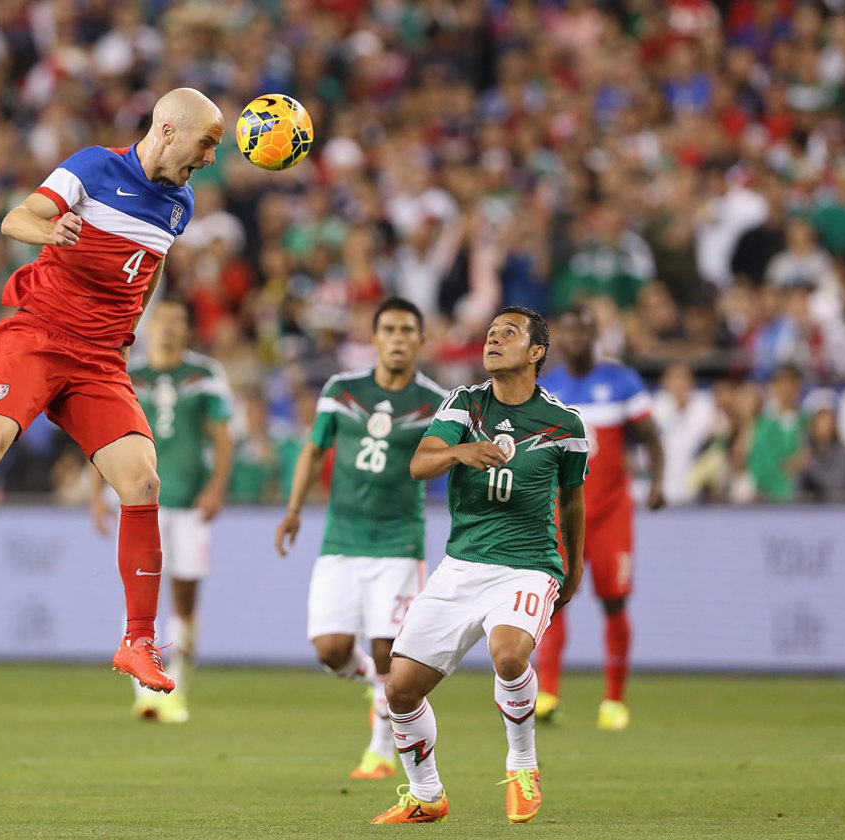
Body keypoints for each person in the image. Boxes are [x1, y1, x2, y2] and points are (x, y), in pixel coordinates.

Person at [0, 88, 225, 694]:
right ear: (167, 130)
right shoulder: (92, 165)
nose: (211, 158)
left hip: (100, 359)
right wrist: (50, 230)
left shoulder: (181, 203)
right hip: (39, 334)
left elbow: (152, 265)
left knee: (142, 481)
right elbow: (16, 217)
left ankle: (138, 641)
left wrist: (132, 326)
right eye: (207, 143)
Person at [371, 305, 586, 825]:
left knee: (509, 653)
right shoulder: (465, 404)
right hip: (462, 565)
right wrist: (460, 452)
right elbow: (420, 462)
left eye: (507, 333)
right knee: (399, 687)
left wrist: (573, 571)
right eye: (490, 333)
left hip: (529, 565)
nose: (492, 340)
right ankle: (426, 795)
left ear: (536, 352)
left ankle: (523, 765)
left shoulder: (566, 424)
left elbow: (573, 502)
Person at [275, 297, 447, 781]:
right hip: (340, 540)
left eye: (407, 330)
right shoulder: (341, 390)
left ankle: (379, 751)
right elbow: (314, 450)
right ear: (373, 339)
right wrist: (293, 510)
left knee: (387, 651)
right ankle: (374, 686)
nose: (397, 338)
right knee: (330, 650)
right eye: (388, 329)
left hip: (398, 542)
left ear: (420, 340)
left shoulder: (436, 403)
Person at [91, 296, 234, 723]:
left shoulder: (205, 375)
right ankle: (146, 694)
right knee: (138, 592)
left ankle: (177, 687)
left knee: (185, 600)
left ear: (187, 330)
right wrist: (96, 493)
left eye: (177, 321)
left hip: (190, 502)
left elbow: (223, 437)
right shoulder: (130, 375)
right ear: (150, 327)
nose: (168, 328)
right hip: (139, 505)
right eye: (163, 320)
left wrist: (216, 487)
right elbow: (104, 432)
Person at [536, 303, 665, 730]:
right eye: (567, 332)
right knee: (553, 601)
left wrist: (659, 482)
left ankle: (614, 699)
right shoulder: (547, 387)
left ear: (595, 335)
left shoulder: (622, 381)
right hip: (562, 512)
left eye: (582, 331)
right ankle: (548, 693)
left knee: (613, 601)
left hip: (611, 512)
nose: (574, 339)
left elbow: (650, 436)